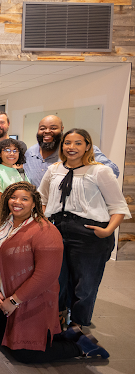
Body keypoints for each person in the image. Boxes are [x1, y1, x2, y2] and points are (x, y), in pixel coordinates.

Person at [0, 182, 109, 363]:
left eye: (24, 199)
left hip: (31, 299)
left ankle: (82, 346)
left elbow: (46, 275)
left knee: (24, 353)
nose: (17, 202)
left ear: (35, 203)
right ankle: (68, 334)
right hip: (3, 296)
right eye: (13, 197)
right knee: (2, 340)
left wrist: (14, 300)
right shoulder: (0, 224)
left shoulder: (45, 231)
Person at [38, 129, 130, 330]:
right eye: (67, 143)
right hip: (57, 230)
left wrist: (107, 231)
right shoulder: (54, 169)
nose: (72, 147)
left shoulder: (99, 171)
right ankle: (59, 317)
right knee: (57, 280)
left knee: (85, 284)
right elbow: (42, 198)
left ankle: (78, 324)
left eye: (78, 143)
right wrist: (45, 220)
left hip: (89, 232)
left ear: (88, 146)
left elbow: (118, 207)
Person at [23, 115, 119, 187]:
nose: (47, 131)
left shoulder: (78, 150)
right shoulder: (30, 153)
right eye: (42, 128)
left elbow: (112, 171)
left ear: (62, 129)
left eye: (53, 128)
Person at [0, 138, 29, 217]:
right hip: (5, 219)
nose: (12, 153)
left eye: (15, 151)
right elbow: (1, 204)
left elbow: (29, 194)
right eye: (7, 150)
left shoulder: (20, 171)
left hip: (22, 217)